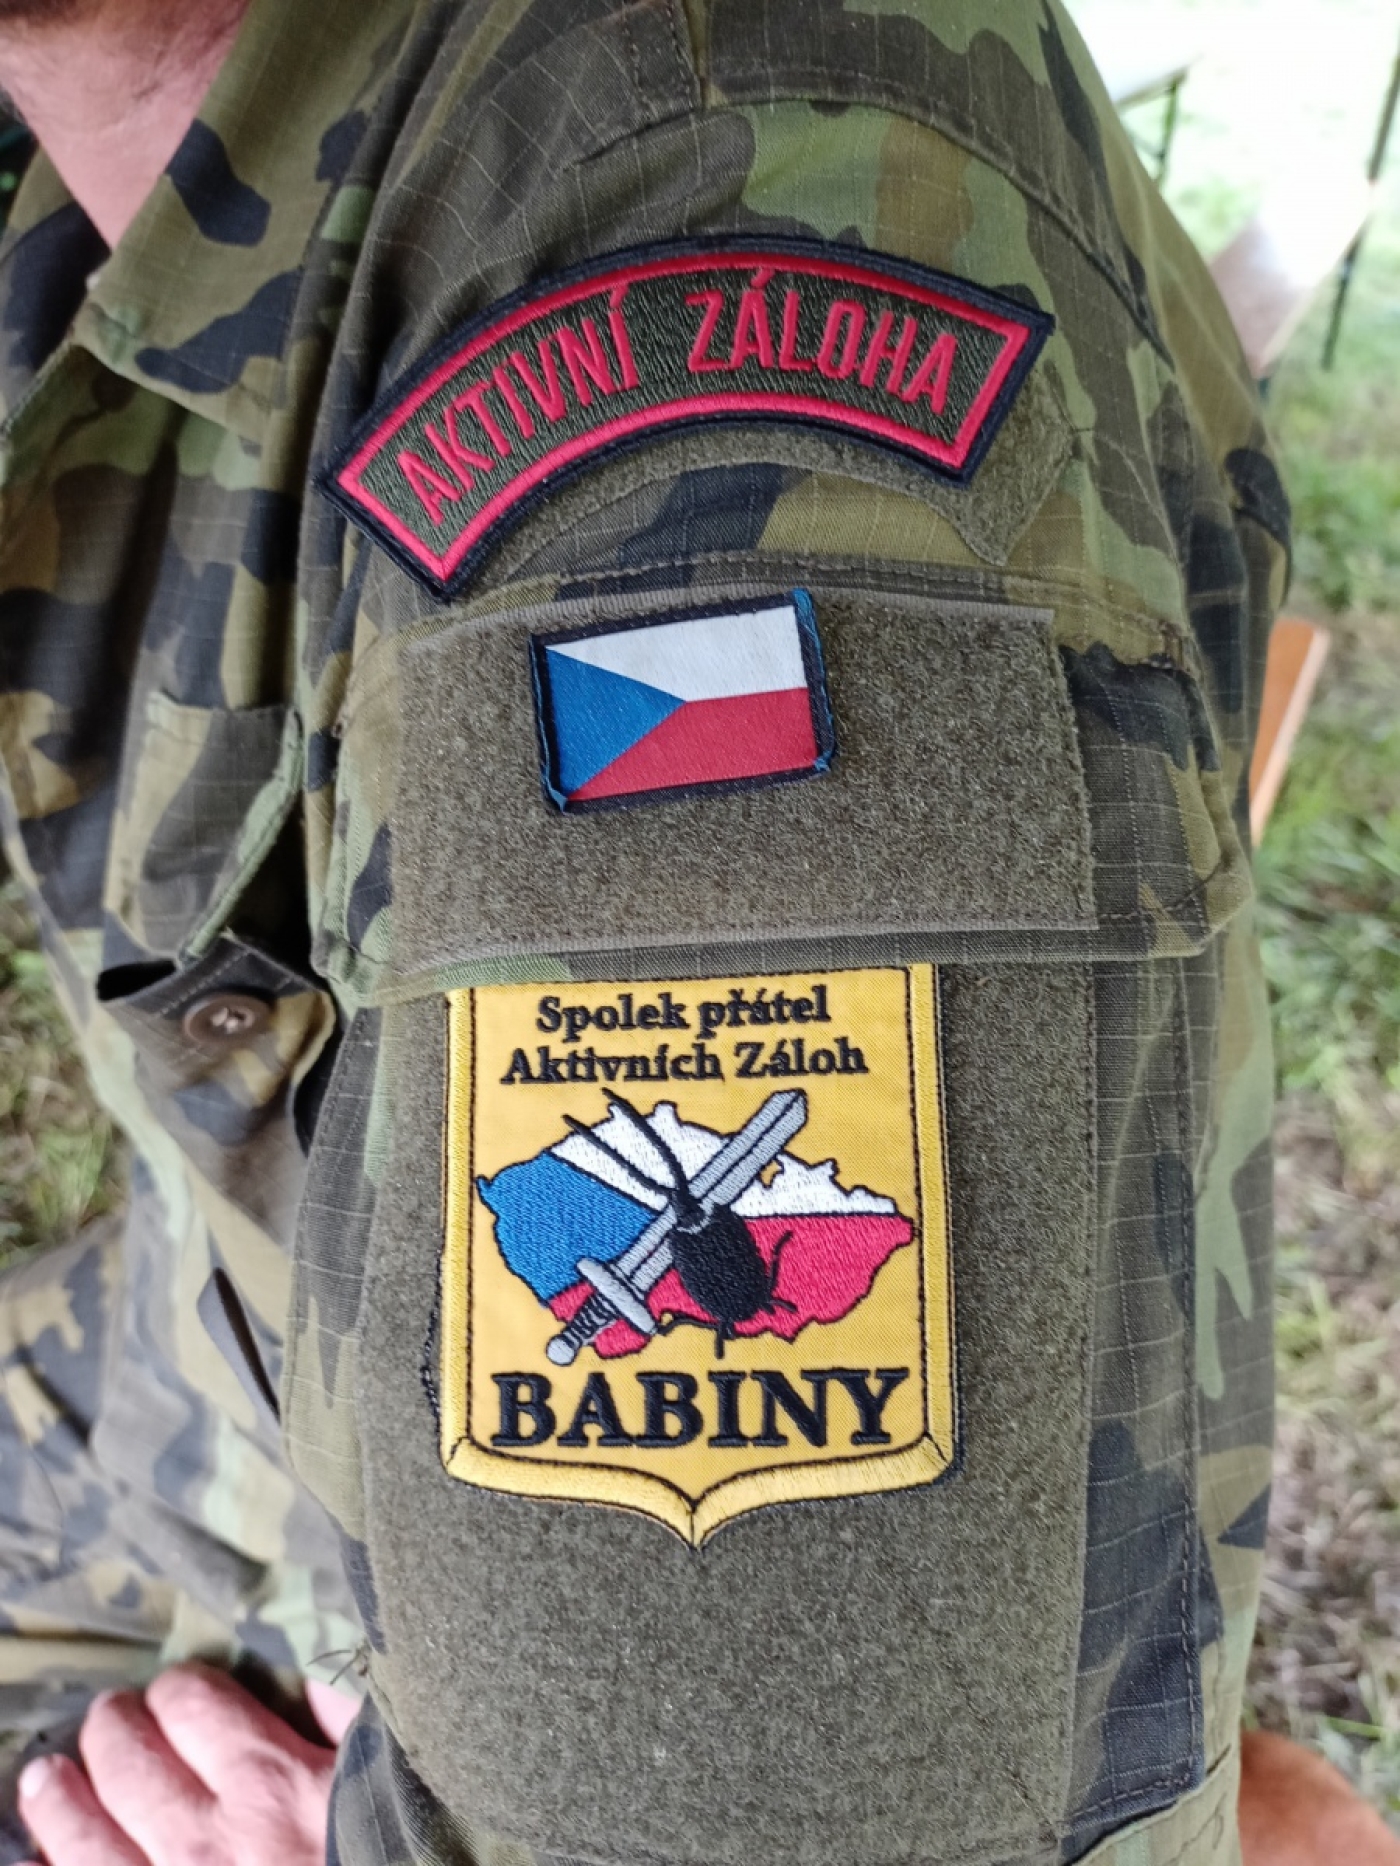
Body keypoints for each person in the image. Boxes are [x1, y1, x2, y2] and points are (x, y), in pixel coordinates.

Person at [0, 0, 1388, 1863]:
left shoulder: (685, 243)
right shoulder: (119, 149)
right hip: (235, 1335)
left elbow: (779, 1773)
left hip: (362, 1534)